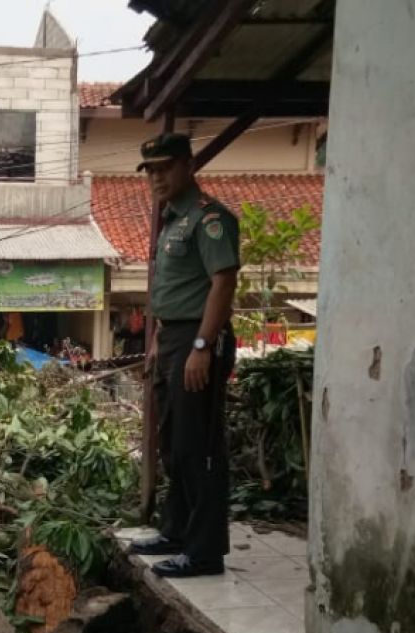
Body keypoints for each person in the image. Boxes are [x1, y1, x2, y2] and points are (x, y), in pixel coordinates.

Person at [129, 132, 240, 578]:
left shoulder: (209, 219)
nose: (156, 177)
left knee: (200, 447)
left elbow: (223, 282)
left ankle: (205, 550)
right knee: (174, 444)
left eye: (164, 167)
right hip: (175, 338)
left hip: (198, 340)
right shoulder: (173, 220)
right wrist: (159, 340)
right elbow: (175, 291)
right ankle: (175, 531)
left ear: (187, 165)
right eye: (150, 170)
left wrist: (202, 346)